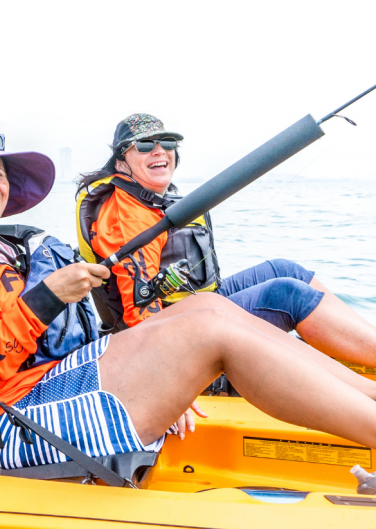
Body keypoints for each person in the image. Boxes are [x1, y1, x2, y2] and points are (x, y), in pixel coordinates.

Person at [0, 135, 376, 469]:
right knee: (209, 332)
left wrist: (156, 378)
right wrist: (48, 297)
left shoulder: (0, 246)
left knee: (206, 308)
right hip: (19, 422)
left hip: (63, 377)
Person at [75, 113, 376, 370]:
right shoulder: (124, 213)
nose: (159, 151)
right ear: (121, 162)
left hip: (196, 304)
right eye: (143, 146)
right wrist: (163, 374)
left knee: (285, 269)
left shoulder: (146, 198)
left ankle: (363, 346)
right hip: (171, 335)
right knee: (287, 294)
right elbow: (139, 309)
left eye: (167, 144)